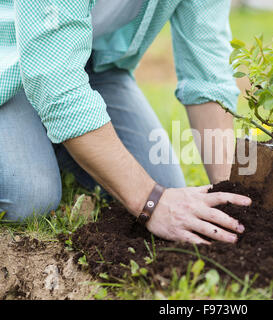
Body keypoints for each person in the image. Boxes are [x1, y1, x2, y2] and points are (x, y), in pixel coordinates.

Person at [0, 0, 251, 244]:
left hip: (96, 65)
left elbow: (208, 71)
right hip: (12, 58)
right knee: (29, 197)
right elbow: (55, 79)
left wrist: (231, 195)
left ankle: (55, 135)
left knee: (166, 186)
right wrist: (150, 202)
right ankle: (49, 131)